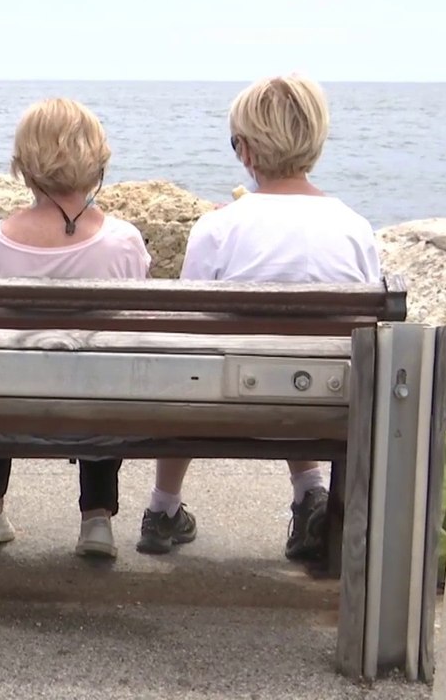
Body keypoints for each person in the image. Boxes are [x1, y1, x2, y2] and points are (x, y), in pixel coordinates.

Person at [137, 73, 381, 562]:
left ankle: (163, 508)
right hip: (328, 410)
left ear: (246, 152)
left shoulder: (218, 226)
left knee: (193, 365)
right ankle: (310, 491)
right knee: (302, 367)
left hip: (225, 404)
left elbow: (185, 329)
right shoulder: (355, 228)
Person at [0, 98, 151, 558]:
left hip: (5, 414)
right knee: (99, 373)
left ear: (24, 165)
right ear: (97, 161)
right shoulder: (123, 242)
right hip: (97, 414)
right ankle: (97, 521)